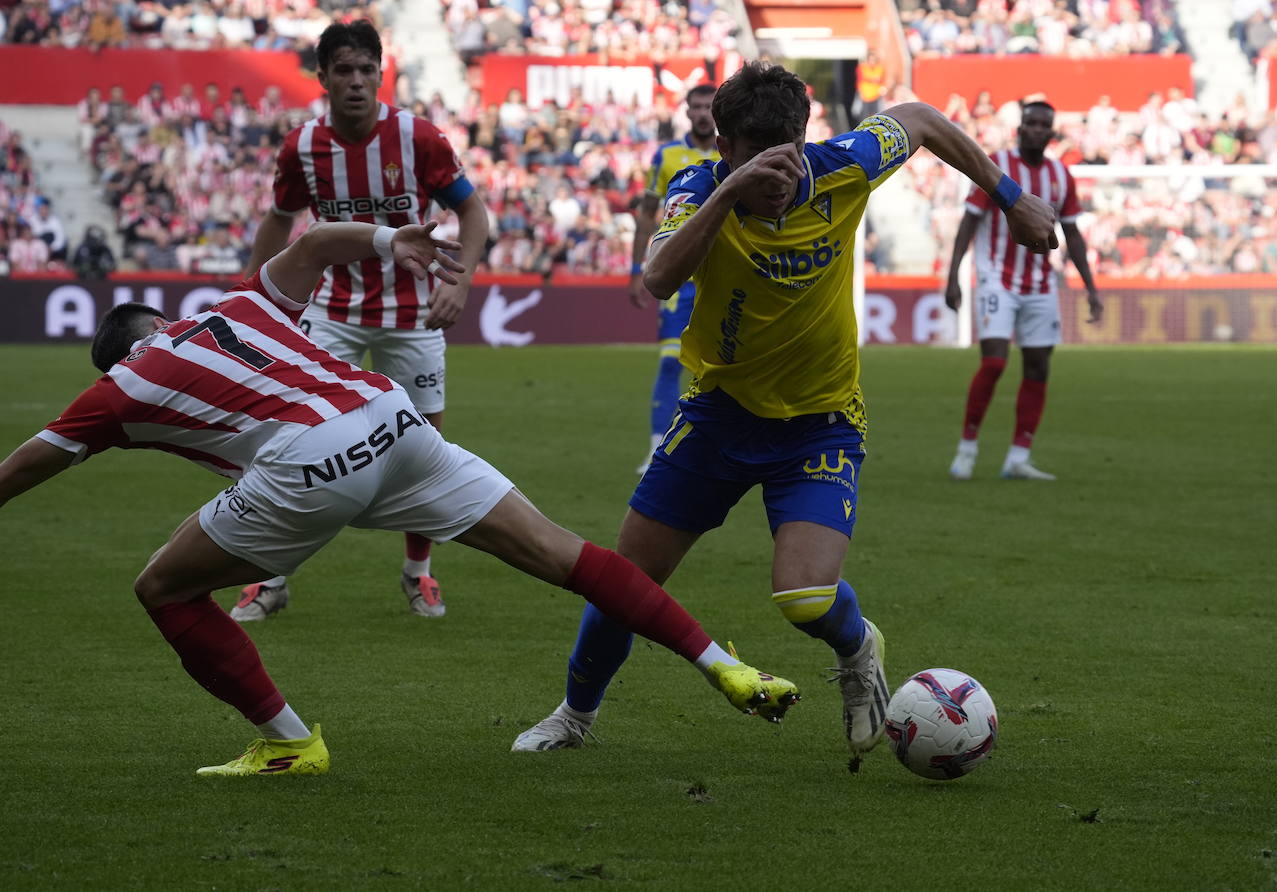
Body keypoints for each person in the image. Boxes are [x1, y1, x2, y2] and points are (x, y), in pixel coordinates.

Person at [0, 219, 800, 777]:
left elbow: (28, 465)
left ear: (111, 363)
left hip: (310, 464)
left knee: (163, 587)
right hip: (395, 421)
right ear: (166, 317)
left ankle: (286, 743)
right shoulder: (233, 305)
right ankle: (726, 666)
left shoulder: (120, 388)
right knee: (565, 553)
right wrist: (391, 241)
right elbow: (313, 242)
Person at [512, 62, 1058, 756]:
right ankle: (575, 717)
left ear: (804, 141)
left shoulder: (844, 166)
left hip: (819, 423)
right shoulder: (697, 187)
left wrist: (1011, 197)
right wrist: (729, 192)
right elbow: (657, 277)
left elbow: (919, 118)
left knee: (803, 598)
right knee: (626, 581)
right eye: (753, 161)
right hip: (718, 417)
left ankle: (859, 652)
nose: (776, 178)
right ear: (724, 149)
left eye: (786, 158)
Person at [237, 20, 489, 622]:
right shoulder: (301, 146)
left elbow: (472, 211)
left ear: (382, 73)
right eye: (343, 70)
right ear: (322, 76)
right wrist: (251, 295)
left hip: (412, 313)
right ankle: (268, 577)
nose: (356, 82)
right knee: (289, 434)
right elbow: (279, 218)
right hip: (332, 310)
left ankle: (418, 573)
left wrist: (464, 282)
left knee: (425, 442)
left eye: (366, 70)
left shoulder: (418, 138)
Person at [944, 100, 1102, 482]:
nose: (1034, 129)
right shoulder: (996, 167)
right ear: (1019, 128)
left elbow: (1074, 235)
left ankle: (1018, 456)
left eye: (1042, 124)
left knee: (1038, 368)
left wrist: (1091, 288)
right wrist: (952, 276)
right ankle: (967, 448)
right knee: (995, 362)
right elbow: (969, 222)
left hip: (1041, 284)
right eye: (1028, 122)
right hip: (997, 276)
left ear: (1051, 132)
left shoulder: (1061, 176)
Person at [628, 83, 718, 475]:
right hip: (681, 277)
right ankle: (656, 450)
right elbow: (648, 214)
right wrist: (637, 270)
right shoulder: (666, 157)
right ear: (686, 111)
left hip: (722, 273)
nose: (702, 113)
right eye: (696, 106)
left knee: (717, 367)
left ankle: (717, 451)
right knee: (669, 363)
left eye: (708, 107)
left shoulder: (736, 152)